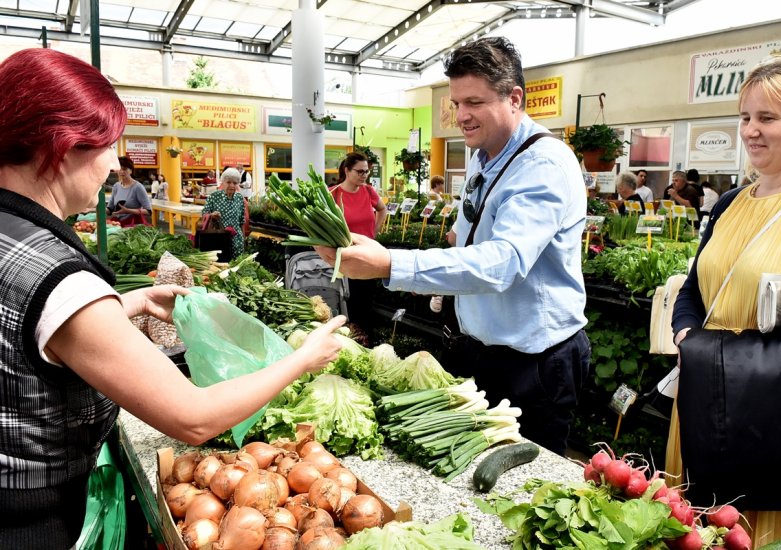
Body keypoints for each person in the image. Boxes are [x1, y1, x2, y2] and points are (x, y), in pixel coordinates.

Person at [0, 48, 346, 549]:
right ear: (63, 147)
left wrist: (132, 302)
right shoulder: (61, 277)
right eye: (106, 148)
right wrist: (300, 359)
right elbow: (193, 416)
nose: (111, 168)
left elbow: (26, 324)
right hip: (24, 522)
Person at [316, 37, 590, 456]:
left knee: (529, 483)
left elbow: (504, 263)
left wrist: (389, 263)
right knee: (477, 472)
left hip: (535, 363)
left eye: (474, 102)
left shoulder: (543, 164)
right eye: (457, 103)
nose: (461, 116)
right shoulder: (484, 155)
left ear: (514, 97)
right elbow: (471, 237)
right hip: (482, 349)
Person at [671, 56, 781, 542]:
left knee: (754, 534)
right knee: (694, 528)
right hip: (704, 395)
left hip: (772, 410)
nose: (750, 131)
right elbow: (696, 285)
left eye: (767, 117)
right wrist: (686, 330)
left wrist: (744, 361)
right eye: (745, 117)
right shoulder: (730, 203)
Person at [330, 152, 389, 332]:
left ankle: (366, 339)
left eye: (366, 172)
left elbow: (382, 209)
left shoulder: (368, 191)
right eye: (360, 172)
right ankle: (351, 335)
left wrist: (374, 232)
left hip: (368, 255)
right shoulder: (333, 193)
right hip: (346, 256)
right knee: (349, 300)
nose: (364, 175)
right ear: (347, 171)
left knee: (367, 301)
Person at [202, 168, 246, 259]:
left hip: (236, 240)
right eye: (229, 182)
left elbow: (242, 221)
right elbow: (204, 212)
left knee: (236, 267)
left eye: (234, 183)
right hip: (218, 237)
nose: (232, 185)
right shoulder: (214, 196)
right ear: (223, 182)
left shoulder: (239, 198)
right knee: (220, 265)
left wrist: (243, 240)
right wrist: (212, 215)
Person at [106, 155, 152, 226]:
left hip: (133, 224)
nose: (121, 172)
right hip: (118, 223)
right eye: (119, 169)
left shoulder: (138, 187)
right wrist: (96, 208)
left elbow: (148, 211)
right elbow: (110, 209)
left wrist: (127, 211)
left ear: (131, 171)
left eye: (124, 169)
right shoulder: (116, 186)